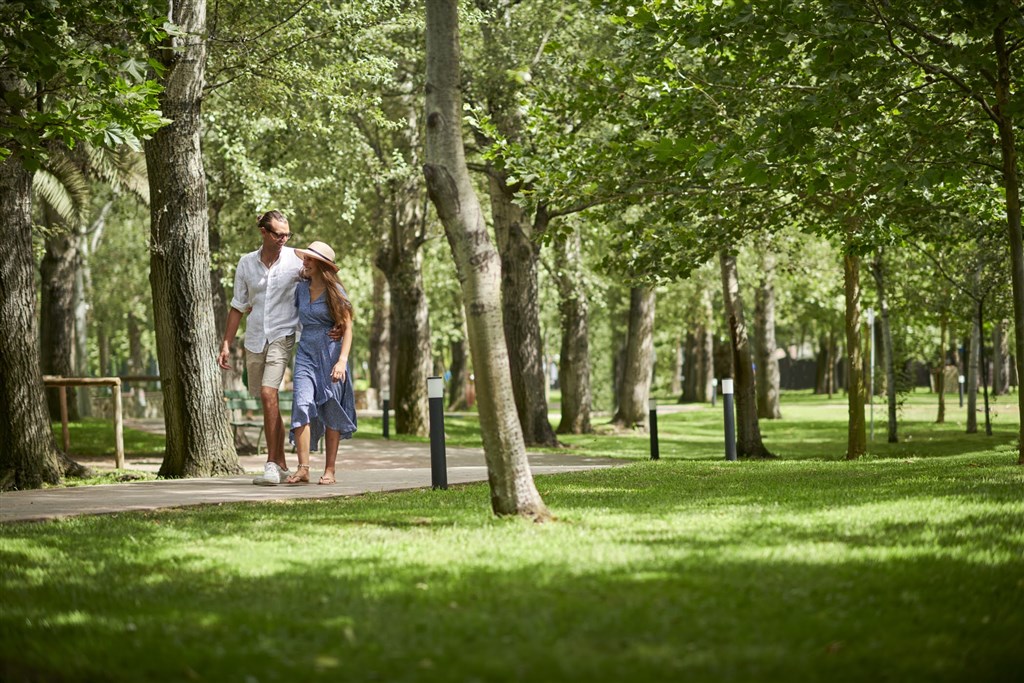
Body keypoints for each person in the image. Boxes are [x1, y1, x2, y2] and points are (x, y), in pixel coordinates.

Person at [218, 210, 302, 485]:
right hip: (254, 338)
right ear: (264, 233)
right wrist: (226, 344)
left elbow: (323, 280)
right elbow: (238, 306)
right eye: (278, 234)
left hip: (283, 333)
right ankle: (281, 464)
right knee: (268, 398)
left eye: (287, 234)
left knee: (268, 393)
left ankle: (270, 464)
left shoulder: (295, 260)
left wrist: (339, 319)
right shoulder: (246, 264)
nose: (284, 239)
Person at [286, 240, 357, 485]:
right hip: (305, 351)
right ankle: (303, 468)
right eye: (304, 258)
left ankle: (330, 470)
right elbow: (288, 311)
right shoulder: (301, 289)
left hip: (331, 353)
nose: (304, 262)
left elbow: (347, 328)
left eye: (308, 259)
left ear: (320, 264)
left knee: (330, 408)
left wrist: (342, 361)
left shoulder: (335, 292)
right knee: (301, 403)